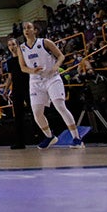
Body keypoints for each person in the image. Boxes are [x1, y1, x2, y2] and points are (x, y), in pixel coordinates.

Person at [17, 21, 83, 149]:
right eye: (24, 28)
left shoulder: (45, 42)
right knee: (36, 112)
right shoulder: (22, 48)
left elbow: (61, 56)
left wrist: (56, 66)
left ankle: (76, 138)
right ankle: (50, 136)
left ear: (35, 30)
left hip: (52, 78)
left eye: (29, 27)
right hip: (35, 81)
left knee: (60, 106)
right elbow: (22, 67)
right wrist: (32, 71)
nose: (26, 30)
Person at [4, 37, 30, 149]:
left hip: (28, 86)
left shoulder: (24, 57)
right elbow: (10, 77)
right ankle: (20, 142)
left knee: (35, 111)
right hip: (17, 89)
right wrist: (5, 89)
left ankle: (45, 137)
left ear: (18, 45)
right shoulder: (9, 61)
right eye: (9, 45)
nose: (12, 47)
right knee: (18, 116)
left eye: (13, 44)